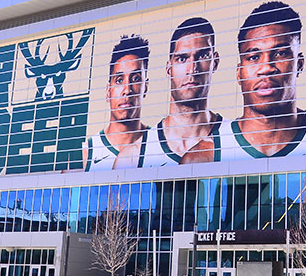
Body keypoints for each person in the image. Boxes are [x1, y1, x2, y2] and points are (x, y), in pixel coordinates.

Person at [221, 0, 306, 159]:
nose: (267, 68)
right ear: (239, 73)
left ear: (299, 64)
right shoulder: (205, 154)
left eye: (280, 53)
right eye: (254, 57)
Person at [142, 17, 224, 166]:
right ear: (169, 69)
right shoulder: (134, 155)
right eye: (182, 59)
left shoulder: (233, 141)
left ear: (215, 62)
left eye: (202, 56)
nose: (192, 69)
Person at [84, 35, 150, 170]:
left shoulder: (158, 144)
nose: (127, 90)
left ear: (145, 87)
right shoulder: (86, 154)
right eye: (119, 80)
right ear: (108, 91)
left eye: (136, 78)